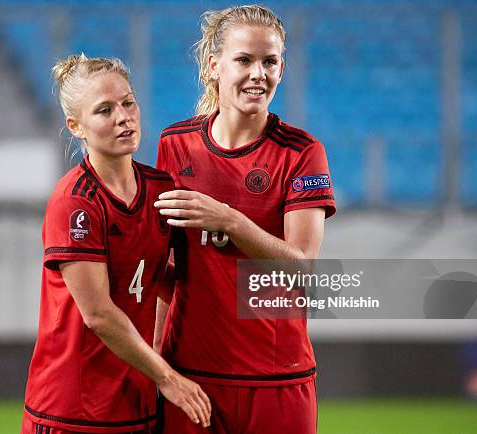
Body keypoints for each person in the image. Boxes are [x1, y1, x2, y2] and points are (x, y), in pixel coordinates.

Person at [154, 5, 336, 433]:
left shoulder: (302, 152)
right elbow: (169, 269)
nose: (258, 73)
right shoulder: (175, 144)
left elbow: (302, 267)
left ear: (282, 68)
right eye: (244, 60)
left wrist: (229, 220)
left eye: (269, 61)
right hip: (191, 375)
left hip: (277, 378)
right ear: (214, 66)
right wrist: (158, 364)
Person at [21, 54, 211, 434]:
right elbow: (99, 315)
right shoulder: (74, 201)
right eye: (105, 110)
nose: (124, 116)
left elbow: (167, 279)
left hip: (134, 404)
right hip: (71, 411)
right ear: (76, 127)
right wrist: (168, 377)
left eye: (128, 102)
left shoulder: (161, 189)